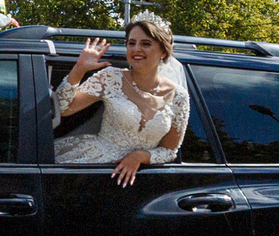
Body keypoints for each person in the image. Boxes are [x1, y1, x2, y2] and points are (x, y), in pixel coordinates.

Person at [55, 12, 188, 186]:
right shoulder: (110, 77)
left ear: (163, 51)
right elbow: (62, 109)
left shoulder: (179, 96)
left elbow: (170, 151)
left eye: (146, 44)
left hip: (143, 180)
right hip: (93, 167)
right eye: (131, 43)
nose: (136, 49)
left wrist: (140, 156)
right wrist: (79, 69)